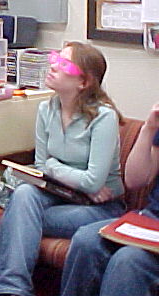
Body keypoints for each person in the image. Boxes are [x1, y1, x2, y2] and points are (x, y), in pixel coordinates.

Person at [0, 42, 126, 296]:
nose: (53, 66)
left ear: (83, 82)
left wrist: (53, 166)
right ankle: (13, 290)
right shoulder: (46, 109)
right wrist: (60, 171)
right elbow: (41, 166)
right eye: (55, 58)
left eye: (64, 64)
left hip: (99, 207)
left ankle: (5, 290)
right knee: (24, 194)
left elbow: (93, 182)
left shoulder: (104, 117)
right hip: (59, 195)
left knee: (19, 215)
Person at [59, 102, 159, 296]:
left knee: (128, 260)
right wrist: (149, 128)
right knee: (85, 240)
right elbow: (135, 180)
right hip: (151, 220)